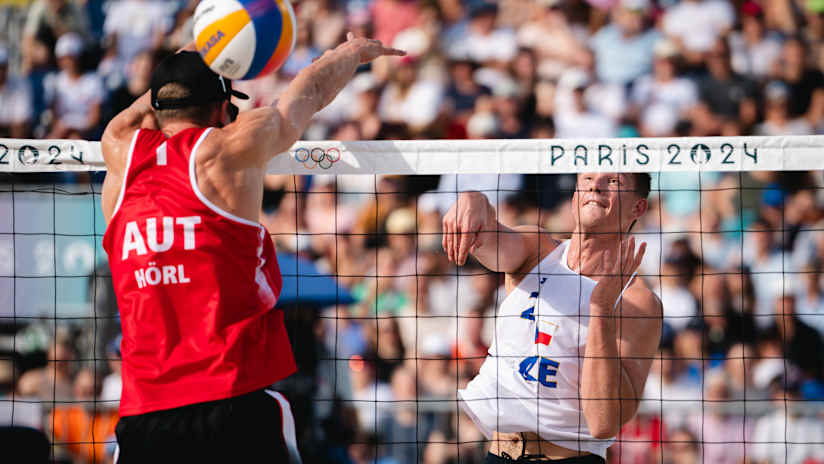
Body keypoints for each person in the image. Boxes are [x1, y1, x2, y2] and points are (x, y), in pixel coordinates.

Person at [99, 35, 403, 462]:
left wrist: (176, 72)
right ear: (222, 109)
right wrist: (348, 54)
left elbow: (125, 122)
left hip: (145, 411)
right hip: (232, 397)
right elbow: (309, 92)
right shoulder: (229, 151)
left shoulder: (117, 160)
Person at [443, 172, 662, 463]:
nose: (595, 186)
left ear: (638, 208)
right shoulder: (536, 249)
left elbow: (603, 423)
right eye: (587, 179)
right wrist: (473, 199)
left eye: (613, 181)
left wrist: (600, 310)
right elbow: (484, 238)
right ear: (574, 199)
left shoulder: (638, 302)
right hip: (499, 454)